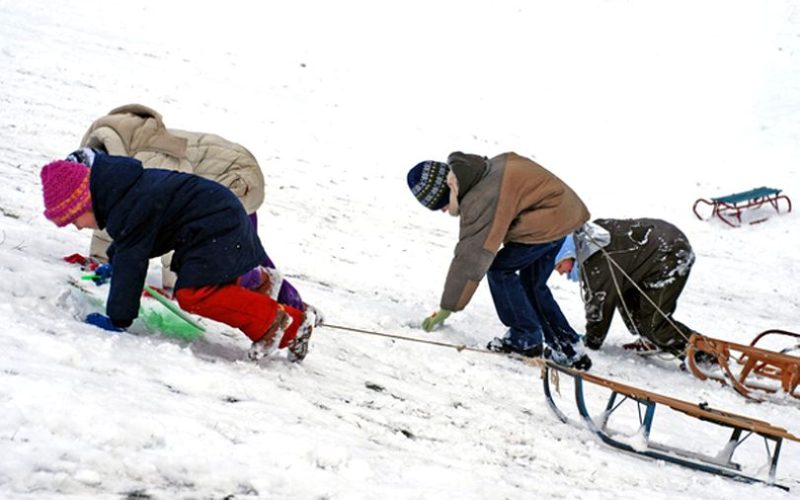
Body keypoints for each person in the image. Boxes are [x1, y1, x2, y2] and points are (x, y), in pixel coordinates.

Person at [40, 150, 316, 362]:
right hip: (216, 220)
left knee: (195, 293)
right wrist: (114, 265)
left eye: (73, 218)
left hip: (216, 225)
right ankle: (269, 296)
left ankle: (281, 322)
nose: (77, 226)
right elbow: (135, 243)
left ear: (83, 201)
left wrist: (117, 319)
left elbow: (133, 256)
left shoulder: (125, 205)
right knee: (211, 287)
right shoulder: (123, 192)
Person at [76, 104, 306, 314]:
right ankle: (285, 298)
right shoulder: (112, 158)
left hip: (235, 176)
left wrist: (175, 283)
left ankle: (286, 304)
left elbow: (172, 221)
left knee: (217, 260)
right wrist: (101, 260)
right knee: (241, 251)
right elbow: (113, 217)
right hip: (213, 182)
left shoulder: (147, 163)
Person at [407, 151, 592, 370]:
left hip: (547, 221)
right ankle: (568, 347)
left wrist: (448, 306)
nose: (443, 211)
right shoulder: (482, 171)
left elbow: (471, 257)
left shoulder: (481, 197)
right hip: (563, 215)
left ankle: (525, 338)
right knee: (531, 283)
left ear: (448, 190)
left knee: (499, 270)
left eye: (440, 204)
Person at [553, 218, 695, 356]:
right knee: (633, 315)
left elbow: (600, 305)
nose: (560, 272)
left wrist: (591, 342)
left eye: (559, 265)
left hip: (670, 253)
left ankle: (704, 354)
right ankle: (653, 340)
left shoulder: (597, 261)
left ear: (568, 253)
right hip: (655, 250)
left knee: (653, 323)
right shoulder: (587, 242)